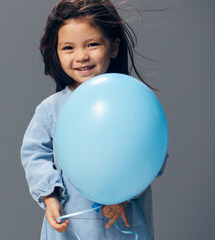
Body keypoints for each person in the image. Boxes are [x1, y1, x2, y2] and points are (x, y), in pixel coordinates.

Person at [20, 0, 168, 239]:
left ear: (113, 47)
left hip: (124, 225)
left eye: (92, 44)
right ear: (56, 53)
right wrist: (49, 196)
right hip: (73, 226)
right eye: (68, 48)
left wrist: (124, 193)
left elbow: (152, 154)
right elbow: (34, 155)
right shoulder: (50, 110)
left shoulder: (133, 102)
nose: (81, 56)